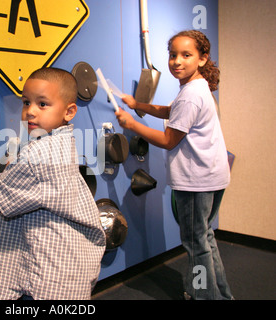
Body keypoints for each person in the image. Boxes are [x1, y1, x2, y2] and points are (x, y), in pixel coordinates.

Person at [0, 67, 106, 300]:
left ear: (69, 111)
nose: (30, 111)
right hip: (71, 264)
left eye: (42, 104)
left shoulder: (37, 155)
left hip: (50, 274)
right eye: (25, 102)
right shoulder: (61, 142)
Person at [115, 30, 233, 300]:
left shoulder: (191, 95)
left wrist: (133, 124)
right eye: (172, 55)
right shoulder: (195, 88)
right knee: (205, 240)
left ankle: (205, 296)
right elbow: (171, 112)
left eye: (186, 55)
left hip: (197, 181)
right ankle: (220, 296)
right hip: (212, 178)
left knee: (195, 243)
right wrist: (138, 104)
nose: (177, 61)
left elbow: (169, 140)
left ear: (202, 59)